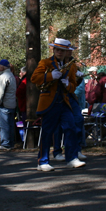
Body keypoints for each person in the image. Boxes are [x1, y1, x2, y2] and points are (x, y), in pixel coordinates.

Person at [31, 38, 86, 171]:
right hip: (49, 102)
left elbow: (73, 87)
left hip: (65, 102)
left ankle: (72, 158)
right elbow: (34, 78)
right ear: (54, 50)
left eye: (63, 50)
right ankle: (42, 162)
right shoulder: (45, 62)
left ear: (67, 51)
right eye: (57, 50)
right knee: (48, 132)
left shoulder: (71, 66)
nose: (60, 52)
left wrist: (68, 85)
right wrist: (49, 76)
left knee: (71, 128)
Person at [0, 59, 18, 151]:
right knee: (10, 124)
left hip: (4, 105)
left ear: (3, 67)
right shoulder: (11, 75)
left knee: (3, 125)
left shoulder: (3, 77)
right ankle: (10, 143)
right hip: (11, 104)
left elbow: (0, 92)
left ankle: (5, 144)